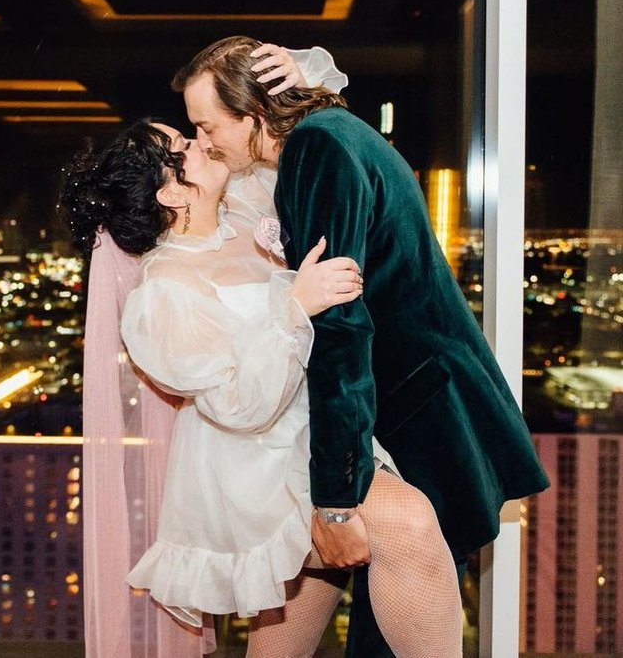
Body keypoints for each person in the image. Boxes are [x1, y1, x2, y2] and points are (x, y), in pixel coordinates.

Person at [173, 35, 551, 656]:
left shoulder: (318, 147)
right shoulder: (336, 133)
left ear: (254, 115)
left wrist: (337, 499)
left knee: (386, 628)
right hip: (420, 403)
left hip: (417, 416)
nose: (203, 138)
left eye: (207, 123)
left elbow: (341, 327)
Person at [61, 119, 464, 657]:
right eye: (183, 146)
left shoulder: (247, 209)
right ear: (171, 192)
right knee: (408, 525)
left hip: (313, 438)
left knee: (294, 621)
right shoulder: (163, 292)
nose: (201, 142)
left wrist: (296, 78)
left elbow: (288, 139)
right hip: (250, 473)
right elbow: (238, 406)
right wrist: (296, 306)